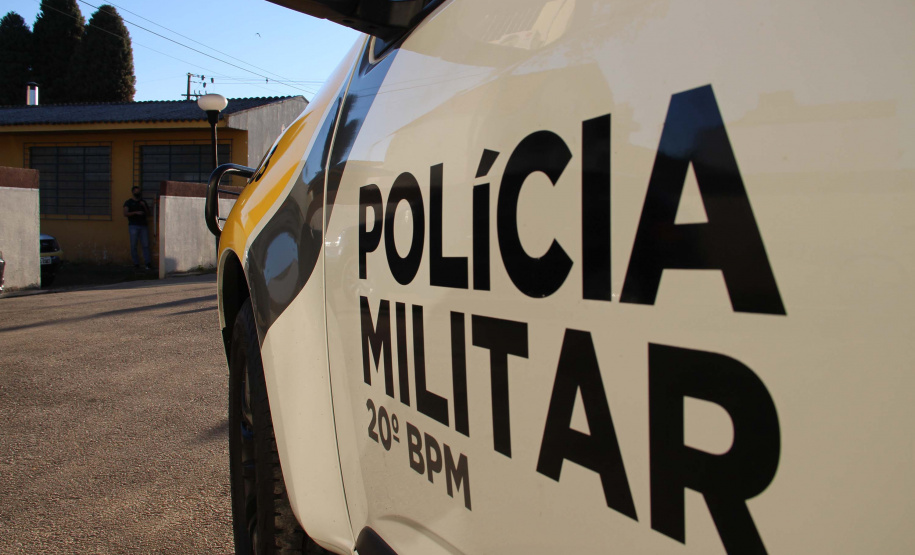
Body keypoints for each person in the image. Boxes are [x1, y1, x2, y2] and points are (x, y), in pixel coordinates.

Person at [123, 186, 152, 270]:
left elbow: (148, 213)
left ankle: (148, 263)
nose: (137, 193)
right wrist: (136, 212)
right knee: (133, 245)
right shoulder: (128, 202)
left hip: (143, 225)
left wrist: (144, 206)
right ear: (132, 192)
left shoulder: (143, 202)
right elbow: (125, 213)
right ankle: (136, 263)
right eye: (136, 192)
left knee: (145, 245)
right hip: (133, 225)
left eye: (138, 191)